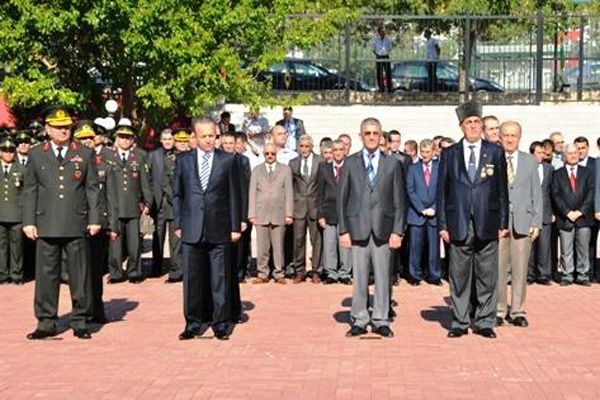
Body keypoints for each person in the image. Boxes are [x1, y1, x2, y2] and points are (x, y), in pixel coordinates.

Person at [23, 106, 101, 340]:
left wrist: (95, 218)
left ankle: (80, 320)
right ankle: (46, 321)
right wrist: (28, 221)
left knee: (79, 273)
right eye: (57, 127)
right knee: (46, 275)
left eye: (66, 127)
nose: (62, 131)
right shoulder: (37, 154)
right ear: (47, 129)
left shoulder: (84, 153)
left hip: (76, 221)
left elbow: (92, 189)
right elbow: (30, 190)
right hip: (46, 222)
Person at [437, 100, 509, 339]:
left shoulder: (495, 152)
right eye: (469, 122)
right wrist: (443, 225)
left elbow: (502, 191)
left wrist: (503, 224)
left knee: (487, 274)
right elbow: (442, 192)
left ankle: (485, 321)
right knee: (459, 275)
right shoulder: (449, 154)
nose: (474, 126)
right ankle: (459, 321)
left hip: (487, 222)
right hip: (458, 223)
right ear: (461, 126)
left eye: (477, 122)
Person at [173, 117, 242, 340]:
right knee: (192, 279)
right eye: (204, 136)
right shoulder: (183, 160)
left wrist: (235, 226)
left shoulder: (228, 160)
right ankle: (193, 323)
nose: (208, 140)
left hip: (219, 227)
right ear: (195, 137)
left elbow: (234, 195)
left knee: (219, 277)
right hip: (191, 227)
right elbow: (177, 194)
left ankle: (220, 323)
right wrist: (178, 223)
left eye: (212, 135)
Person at [338, 117, 406, 338]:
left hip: (383, 229)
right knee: (359, 277)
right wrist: (343, 231)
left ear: (381, 136)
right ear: (361, 136)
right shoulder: (350, 162)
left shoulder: (392, 163)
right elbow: (342, 199)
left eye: (375, 133)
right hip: (357, 228)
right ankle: (359, 318)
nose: (371, 137)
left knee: (383, 277)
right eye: (367, 133)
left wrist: (397, 231)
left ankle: (381, 318)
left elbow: (399, 200)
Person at [496, 121, 542, 328]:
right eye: (506, 135)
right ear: (500, 137)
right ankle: (498, 309)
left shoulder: (529, 162)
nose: (509, 139)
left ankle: (517, 310)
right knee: (498, 269)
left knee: (520, 269)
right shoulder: (493, 159)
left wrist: (537, 222)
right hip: (499, 225)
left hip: (523, 223)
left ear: (519, 137)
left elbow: (536, 194)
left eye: (513, 135)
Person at [72, 121, 118, 323]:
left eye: (90, 139)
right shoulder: (70, 164)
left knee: (96, 270)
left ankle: (97, 309)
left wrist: (113, 225)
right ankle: (81, 310)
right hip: (75, 224)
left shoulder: (104, 165)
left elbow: (111, 198)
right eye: (82, 139)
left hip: (98, 224)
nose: (87, 142)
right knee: (78, 272)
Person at [106, 125, 152, 284]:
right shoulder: (108, 156)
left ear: (132, 140)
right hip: (115, 206)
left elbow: (145, 182)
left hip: (133, 207)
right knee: (115, 244)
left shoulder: (139, 156)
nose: (124, 140)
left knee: (135, 244)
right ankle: (116, 273)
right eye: (121, 137)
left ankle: (135, 272)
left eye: (128, 137)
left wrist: (148, 202)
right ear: (116, 139)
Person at [248, 143, 293, 284]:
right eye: (267, 153)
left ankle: (279, 273)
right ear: (263, 154)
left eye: (272, 153)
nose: (270, 156)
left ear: (276, 154)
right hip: (261, 213)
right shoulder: (256, 170)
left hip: (279, 213)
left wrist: (289, 214)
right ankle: (262, 273)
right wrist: (252, 214)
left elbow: (289, 193)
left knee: (278, 246)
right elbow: (252, 193)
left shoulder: (285, 170)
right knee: (262, 247)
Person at [552, 144, 594, 286]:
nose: (573, 155)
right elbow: (555, 195)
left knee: (583, 248)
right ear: (564, 155)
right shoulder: (557, 174)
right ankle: (567, 275)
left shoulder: (587, 172)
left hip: (584, 217)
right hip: (565, 217)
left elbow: (590, 193)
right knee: (566, 248)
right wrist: (567, 212)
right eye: (569, 153)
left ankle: (583, 275)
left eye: (575, 152)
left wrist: (581, 211)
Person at [148, 128, 182, 282]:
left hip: (173, 203)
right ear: (160, 140)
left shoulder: (179, 156)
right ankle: (156, 267)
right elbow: (147, 178)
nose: (168, 141)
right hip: (158, 203)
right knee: (157, 237)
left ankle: (176, 269)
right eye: (165, 139)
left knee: (175, 238)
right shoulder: (153, 155)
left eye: (170, 139)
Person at [289, 135, 324, 283]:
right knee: (298, 241)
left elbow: (322, 186)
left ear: (312, 146)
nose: (304, 149)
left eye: (307, 146)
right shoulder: (293, 163)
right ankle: (300, 271)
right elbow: (290, 187)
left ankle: (316, 270)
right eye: (301, 146)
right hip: (298, 207)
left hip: (315, 207)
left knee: (316, 241)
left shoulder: (320, 161)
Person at [406, 139, 441, 286]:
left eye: (428, 152)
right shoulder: (413, 168)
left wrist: (434, 207)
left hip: (434, 214)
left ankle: (434, 275)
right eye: (423, 152)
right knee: (415, 247)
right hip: (417, 214)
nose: (425, 155)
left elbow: (444, 190)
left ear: (434, 152)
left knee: (434, 248)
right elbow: (410, 190)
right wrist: (421, 208)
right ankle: (414, 275)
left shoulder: (440, 167)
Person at [318, 139, 352, 285]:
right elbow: (319, 193)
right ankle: (331, 272)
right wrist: (320, 214)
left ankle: (345, 273)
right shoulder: (324, 169)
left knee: (345, 245)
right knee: (330, 244)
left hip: (346, 213)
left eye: (340, 149)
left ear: (345, 151)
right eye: (335, 150)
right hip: (329, 212)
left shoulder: (351, 168)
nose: (337, 153)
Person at [527, 141, 554, 285]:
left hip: (545, 211)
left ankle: (543, 274)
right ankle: (530, 274)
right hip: (529, 212)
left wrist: (553, 212)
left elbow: (552, 191)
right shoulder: (525, 168)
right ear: (532, 154)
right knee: (530, 245)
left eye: (543, 153)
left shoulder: (549, 169)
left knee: (544, 246)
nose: (542, 156)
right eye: (538, 153)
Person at [0, 137, 25, 285]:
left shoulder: (21, 169)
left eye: (11, 151)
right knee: (1, 247)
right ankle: (2, 275)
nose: (8, 154)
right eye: (5, 151)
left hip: (17, 214)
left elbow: (27, 192)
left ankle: (17, 275)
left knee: (17, 248)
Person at [575, 136, 597, 282]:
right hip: (576, 211)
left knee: (592, 243)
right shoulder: (570, 163)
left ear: (588, 148)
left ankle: (591, 272)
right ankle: (581, 272)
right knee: (580, 243)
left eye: (583, 148)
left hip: (594, 209)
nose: (580, 151)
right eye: (578, 148)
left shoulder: (595, 164)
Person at [372, 27, 393, 93]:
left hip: (386, 56)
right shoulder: (376, 40)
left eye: (384, 31)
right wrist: (378, 54)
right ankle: (381, 88)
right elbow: (373, 49)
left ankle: (389, 88)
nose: (383, 33)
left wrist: (385, 52)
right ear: (379, 32)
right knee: (379, 73)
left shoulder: (388, 39)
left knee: (388, 73)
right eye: (381, 31)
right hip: (379, 57)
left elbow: (390, 48)